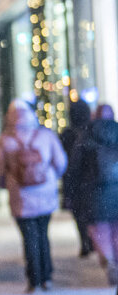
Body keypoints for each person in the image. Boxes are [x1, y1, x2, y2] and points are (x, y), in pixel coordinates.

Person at [0, 100, 68, 293]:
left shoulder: (5, 140)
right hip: (45, 192)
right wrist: (50, 178)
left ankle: (33, 279)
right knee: (43, 234)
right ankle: (47, 276)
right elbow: (60, 162)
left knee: (29, 237)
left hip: (20, 196)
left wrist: (7, 184)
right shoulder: (45, 136)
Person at [64, 103, 118, 283]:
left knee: (99, 228)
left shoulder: (86, 136)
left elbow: (75, 168)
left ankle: (109, 260)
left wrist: (70, 193)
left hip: (94, 192)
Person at [60, 99, 96, 257]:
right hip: (90, 179)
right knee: (90, 211)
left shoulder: (67, 135)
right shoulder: (92, 131)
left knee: (79, 213)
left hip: (74, 179)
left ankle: (85, 241)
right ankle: (91, 241)